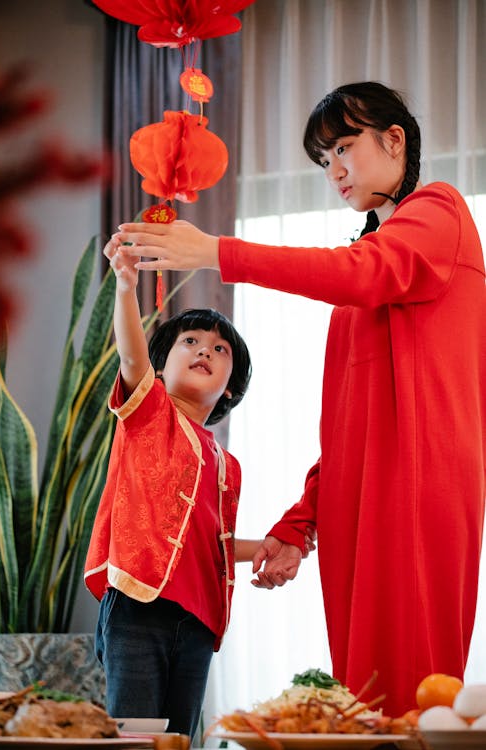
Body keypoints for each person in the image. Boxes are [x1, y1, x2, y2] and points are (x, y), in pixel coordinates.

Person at [107, 81, 486, 718]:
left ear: (394, 141)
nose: (334, 170)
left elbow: (362, 272)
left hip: (418, 486)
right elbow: (350, 430)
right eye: (323, 159)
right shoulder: (370, 262)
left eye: (343, 147)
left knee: (411, 699)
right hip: (361, 499)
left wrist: (217, 252)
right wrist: (303, 519)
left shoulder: (438, 211)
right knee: (365, 698)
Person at [84, 233, 267, 739]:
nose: (204, 349)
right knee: (137, 736)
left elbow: (216, 546)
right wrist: (126, 287)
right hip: (138, 608)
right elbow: (129, 359)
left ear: (230, 385)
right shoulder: (149, 413)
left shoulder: (227, 463)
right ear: (160, 367)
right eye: (190, 341)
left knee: (178, 739)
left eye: (219, 348)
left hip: (200, 621)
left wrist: (271, 546)